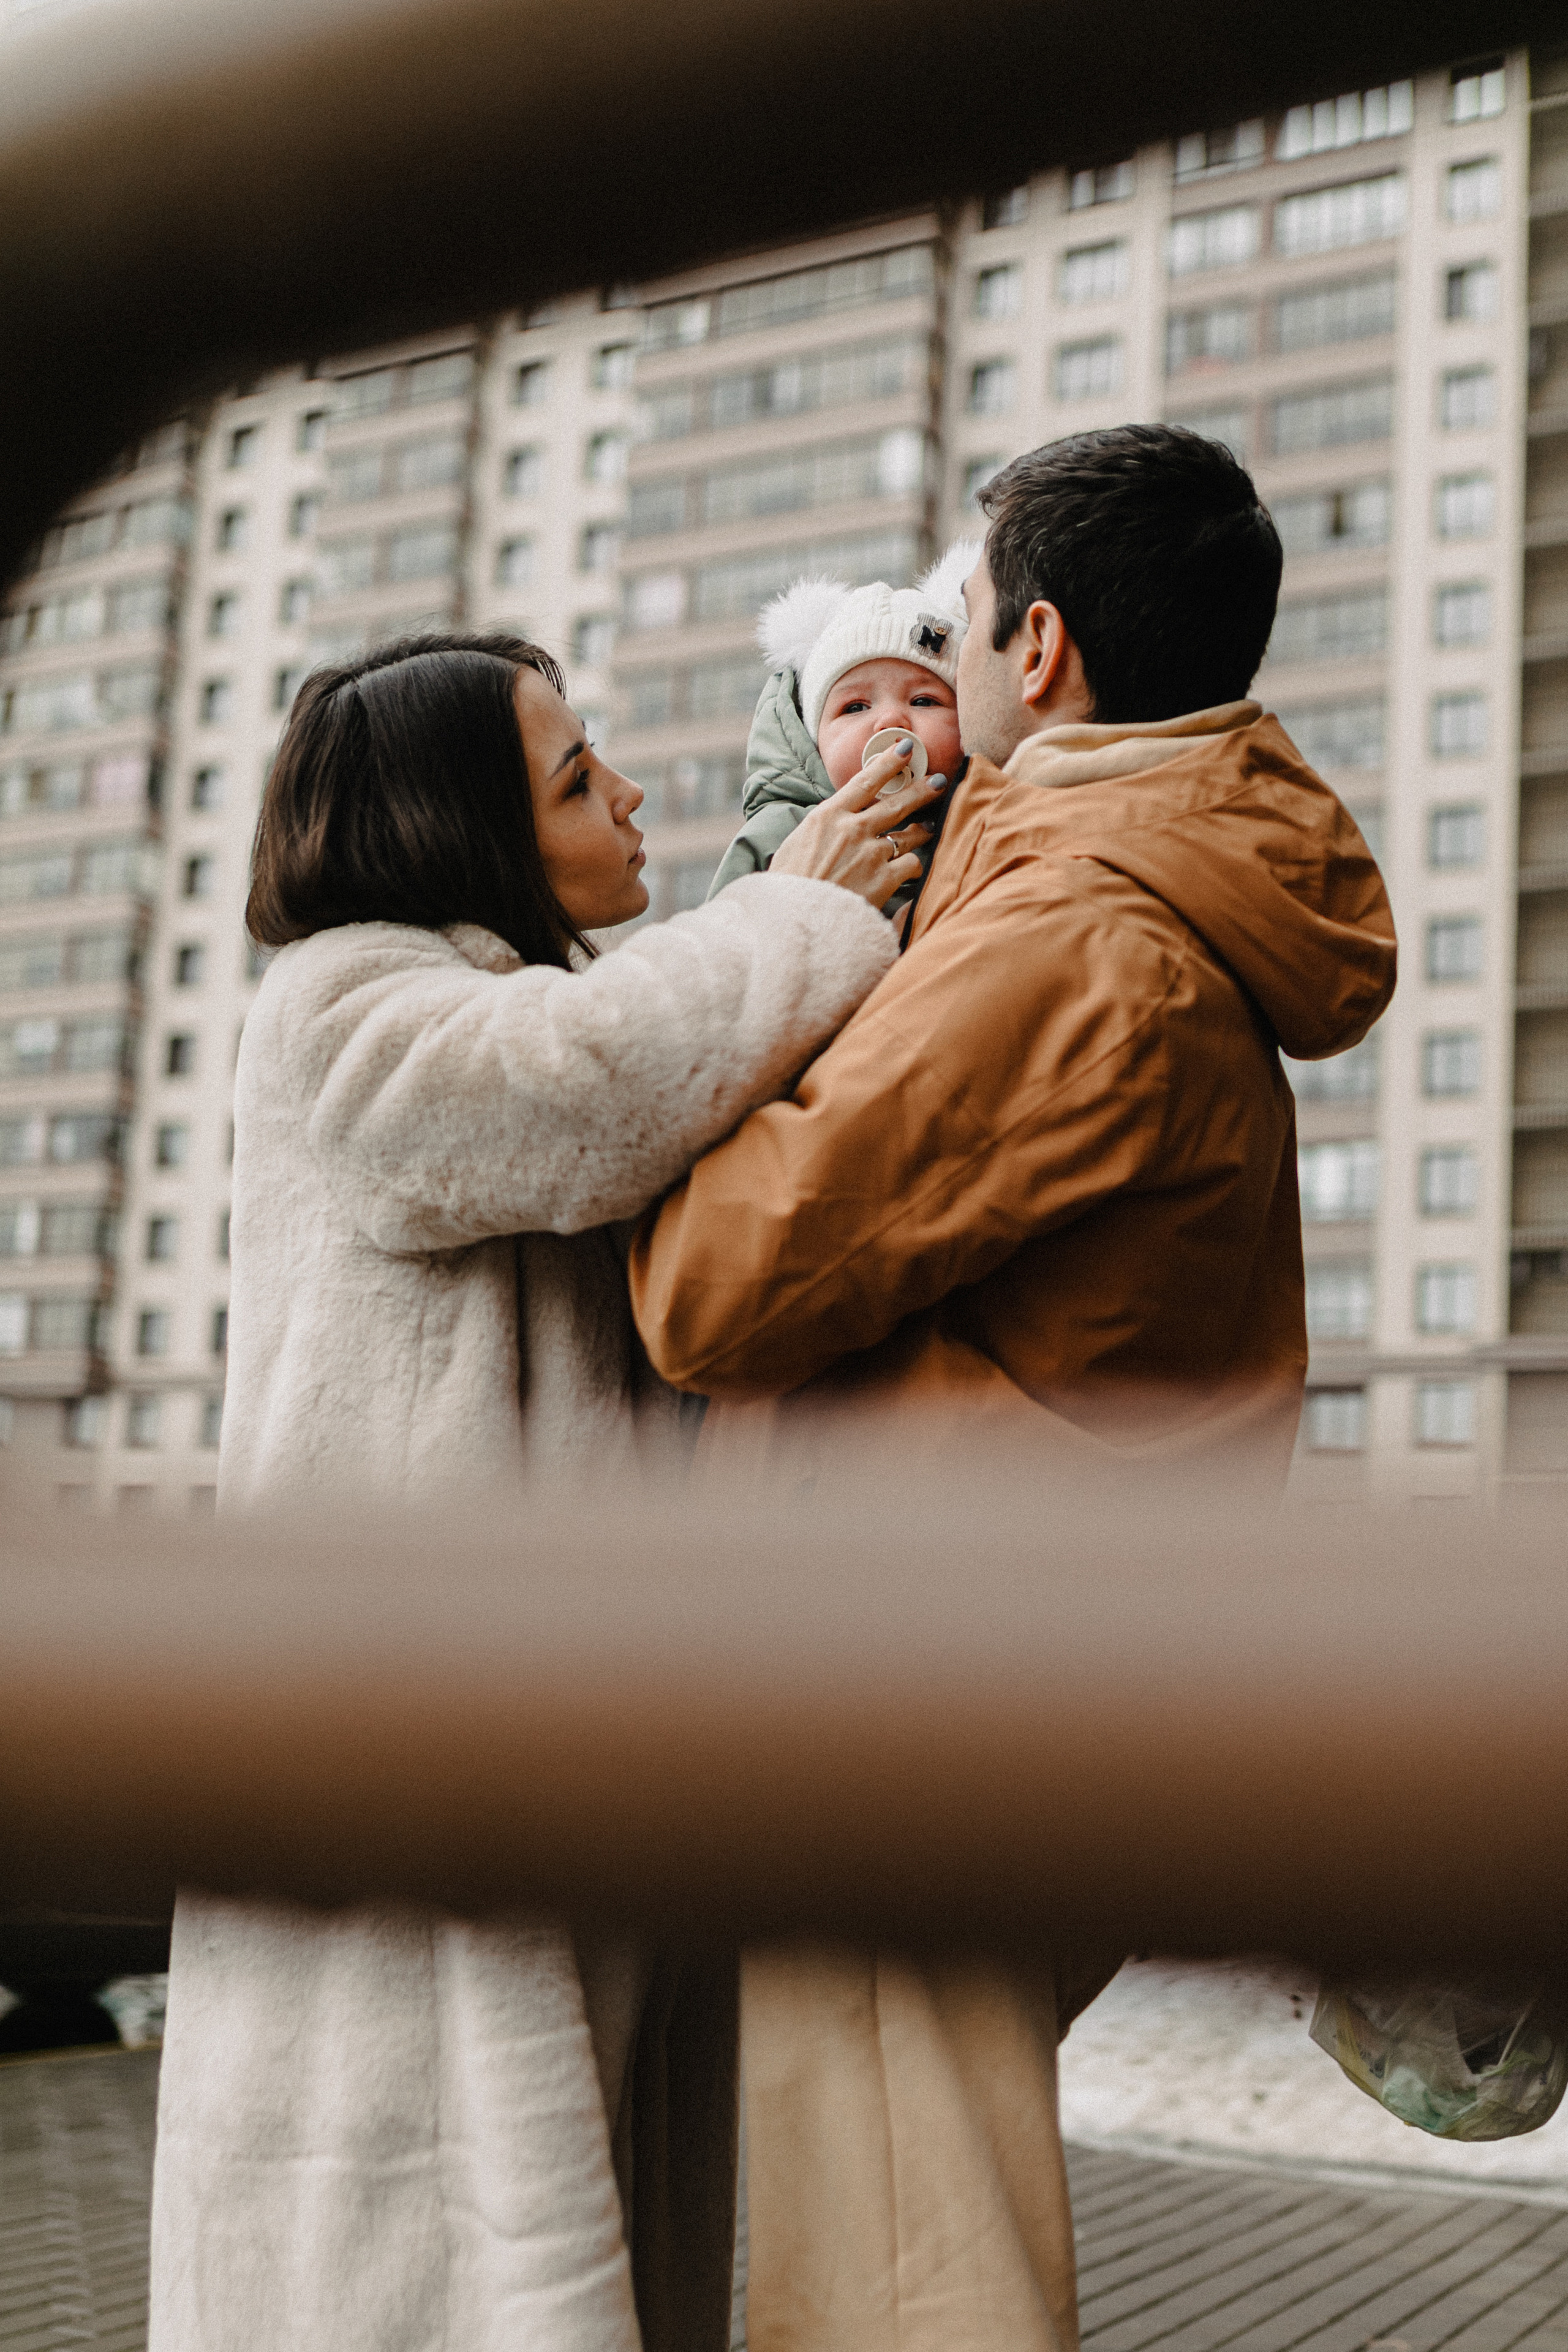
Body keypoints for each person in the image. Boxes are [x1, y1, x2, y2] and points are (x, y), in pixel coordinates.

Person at [628, 426, 1399, 2352]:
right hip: (1020, 1655)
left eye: (962, 617)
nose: (941, 652)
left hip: (915, 1683)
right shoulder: (1134, 883)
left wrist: (759, 965)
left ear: (1038, 647)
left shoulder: (1071, 934)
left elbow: (711, 1287)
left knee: (909, 2269)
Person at [147, 630, 942, 2352]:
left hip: (556, 1754)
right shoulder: (337, 1008)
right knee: (407, 2261)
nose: (632, 794)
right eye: (577, 777)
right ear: (463, 829)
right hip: (398, 1777)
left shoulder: (501, 1000)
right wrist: (800, 911)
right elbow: (583, 1081)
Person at [706, 541, 974, 900]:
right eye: (855, 707)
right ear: (814, 741)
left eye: (924, 701)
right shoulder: (777, 836)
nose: (890, 720)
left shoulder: (986, 822)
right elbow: (722, 927)